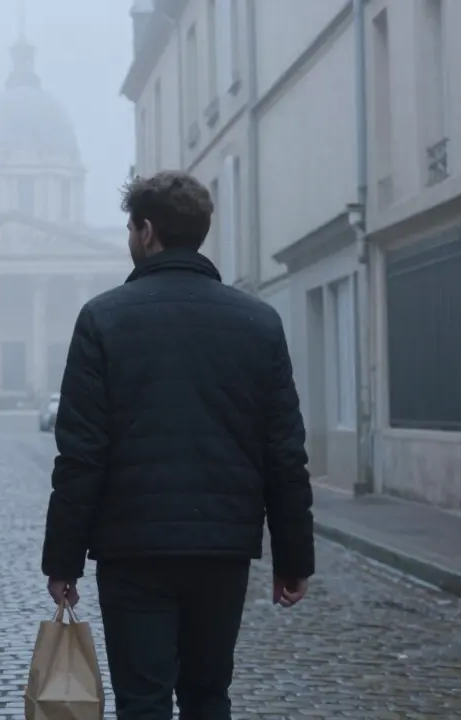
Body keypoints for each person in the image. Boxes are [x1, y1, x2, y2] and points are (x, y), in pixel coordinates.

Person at [41, 171, 315, 719]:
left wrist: (62, 561)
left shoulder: (103, 318)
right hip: (222, 548)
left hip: (132, 548)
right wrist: (294, 556)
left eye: (129, 227)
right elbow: (284, 450)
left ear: (146, 231)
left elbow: (81, 453)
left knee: (142, 699)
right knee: (207, 694)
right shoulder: (258, 322)